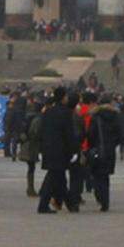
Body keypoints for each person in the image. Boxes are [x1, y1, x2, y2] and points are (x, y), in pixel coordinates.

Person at [37, 85, 79, 214]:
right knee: (53, 177)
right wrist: (73, 150)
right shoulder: (66, 113)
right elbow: (69, 134)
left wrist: (41, 147)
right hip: (60, 149)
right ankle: (43, 205)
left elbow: (41, 131)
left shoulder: (48, 111)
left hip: (48, 148)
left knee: (59, 177)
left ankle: (71, 204)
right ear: (62, 98)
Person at [87, 96, 120, 211]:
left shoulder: (96, 117)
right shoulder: (115, 116)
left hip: (97, 149)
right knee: (105, 177)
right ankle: (105, 201)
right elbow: (119, 133)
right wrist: (112, 144)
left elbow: (91, 134)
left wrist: (92, 145)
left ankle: (100, 197)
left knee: (96, 175)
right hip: (109, 151)